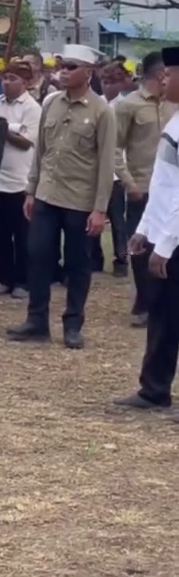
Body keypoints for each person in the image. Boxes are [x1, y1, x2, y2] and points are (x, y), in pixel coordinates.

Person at [8, 45, 116, 350]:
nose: (63, 71)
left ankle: (72, 324)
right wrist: (31, 190)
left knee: (77, 264)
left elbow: (107, 163)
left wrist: (99, 209)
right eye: (62, 66)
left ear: (88, 73)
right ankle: (36, 320)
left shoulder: (101, 111)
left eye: (71, 67)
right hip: (47, 195)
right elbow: (41, 152)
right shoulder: (51, 103)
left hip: (80, 200)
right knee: (39, 256)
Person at [114, 45, 179, 414]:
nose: (163, 79)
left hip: (176, 237)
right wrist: (143, 229)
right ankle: (154, 388)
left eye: (171, 73)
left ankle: (155, 387)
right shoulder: (174, 120)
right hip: (164, 229)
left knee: (170, 314)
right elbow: (164, 185)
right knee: (162, 314)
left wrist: (166, 245)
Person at [0, 60, 42, 299]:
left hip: (20, 181)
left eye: (12, 79)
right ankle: (4, 278)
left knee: (23, 235)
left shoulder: (32, 108)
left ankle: (22, 281)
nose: (6, 83)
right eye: (4, 78)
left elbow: (27, 141)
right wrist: (7, 129)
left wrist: (3, 130)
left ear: (26, 82)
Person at [100, 62, 129, 277]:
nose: (107, 86)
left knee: (117, 220)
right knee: (93, 216)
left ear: (121, 84)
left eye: (112, 82)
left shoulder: (125, 106)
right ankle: (94, 258)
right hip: (96, 171)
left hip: (116, 173)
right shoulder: (97, 104)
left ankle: (121, 259)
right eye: (104, 82)